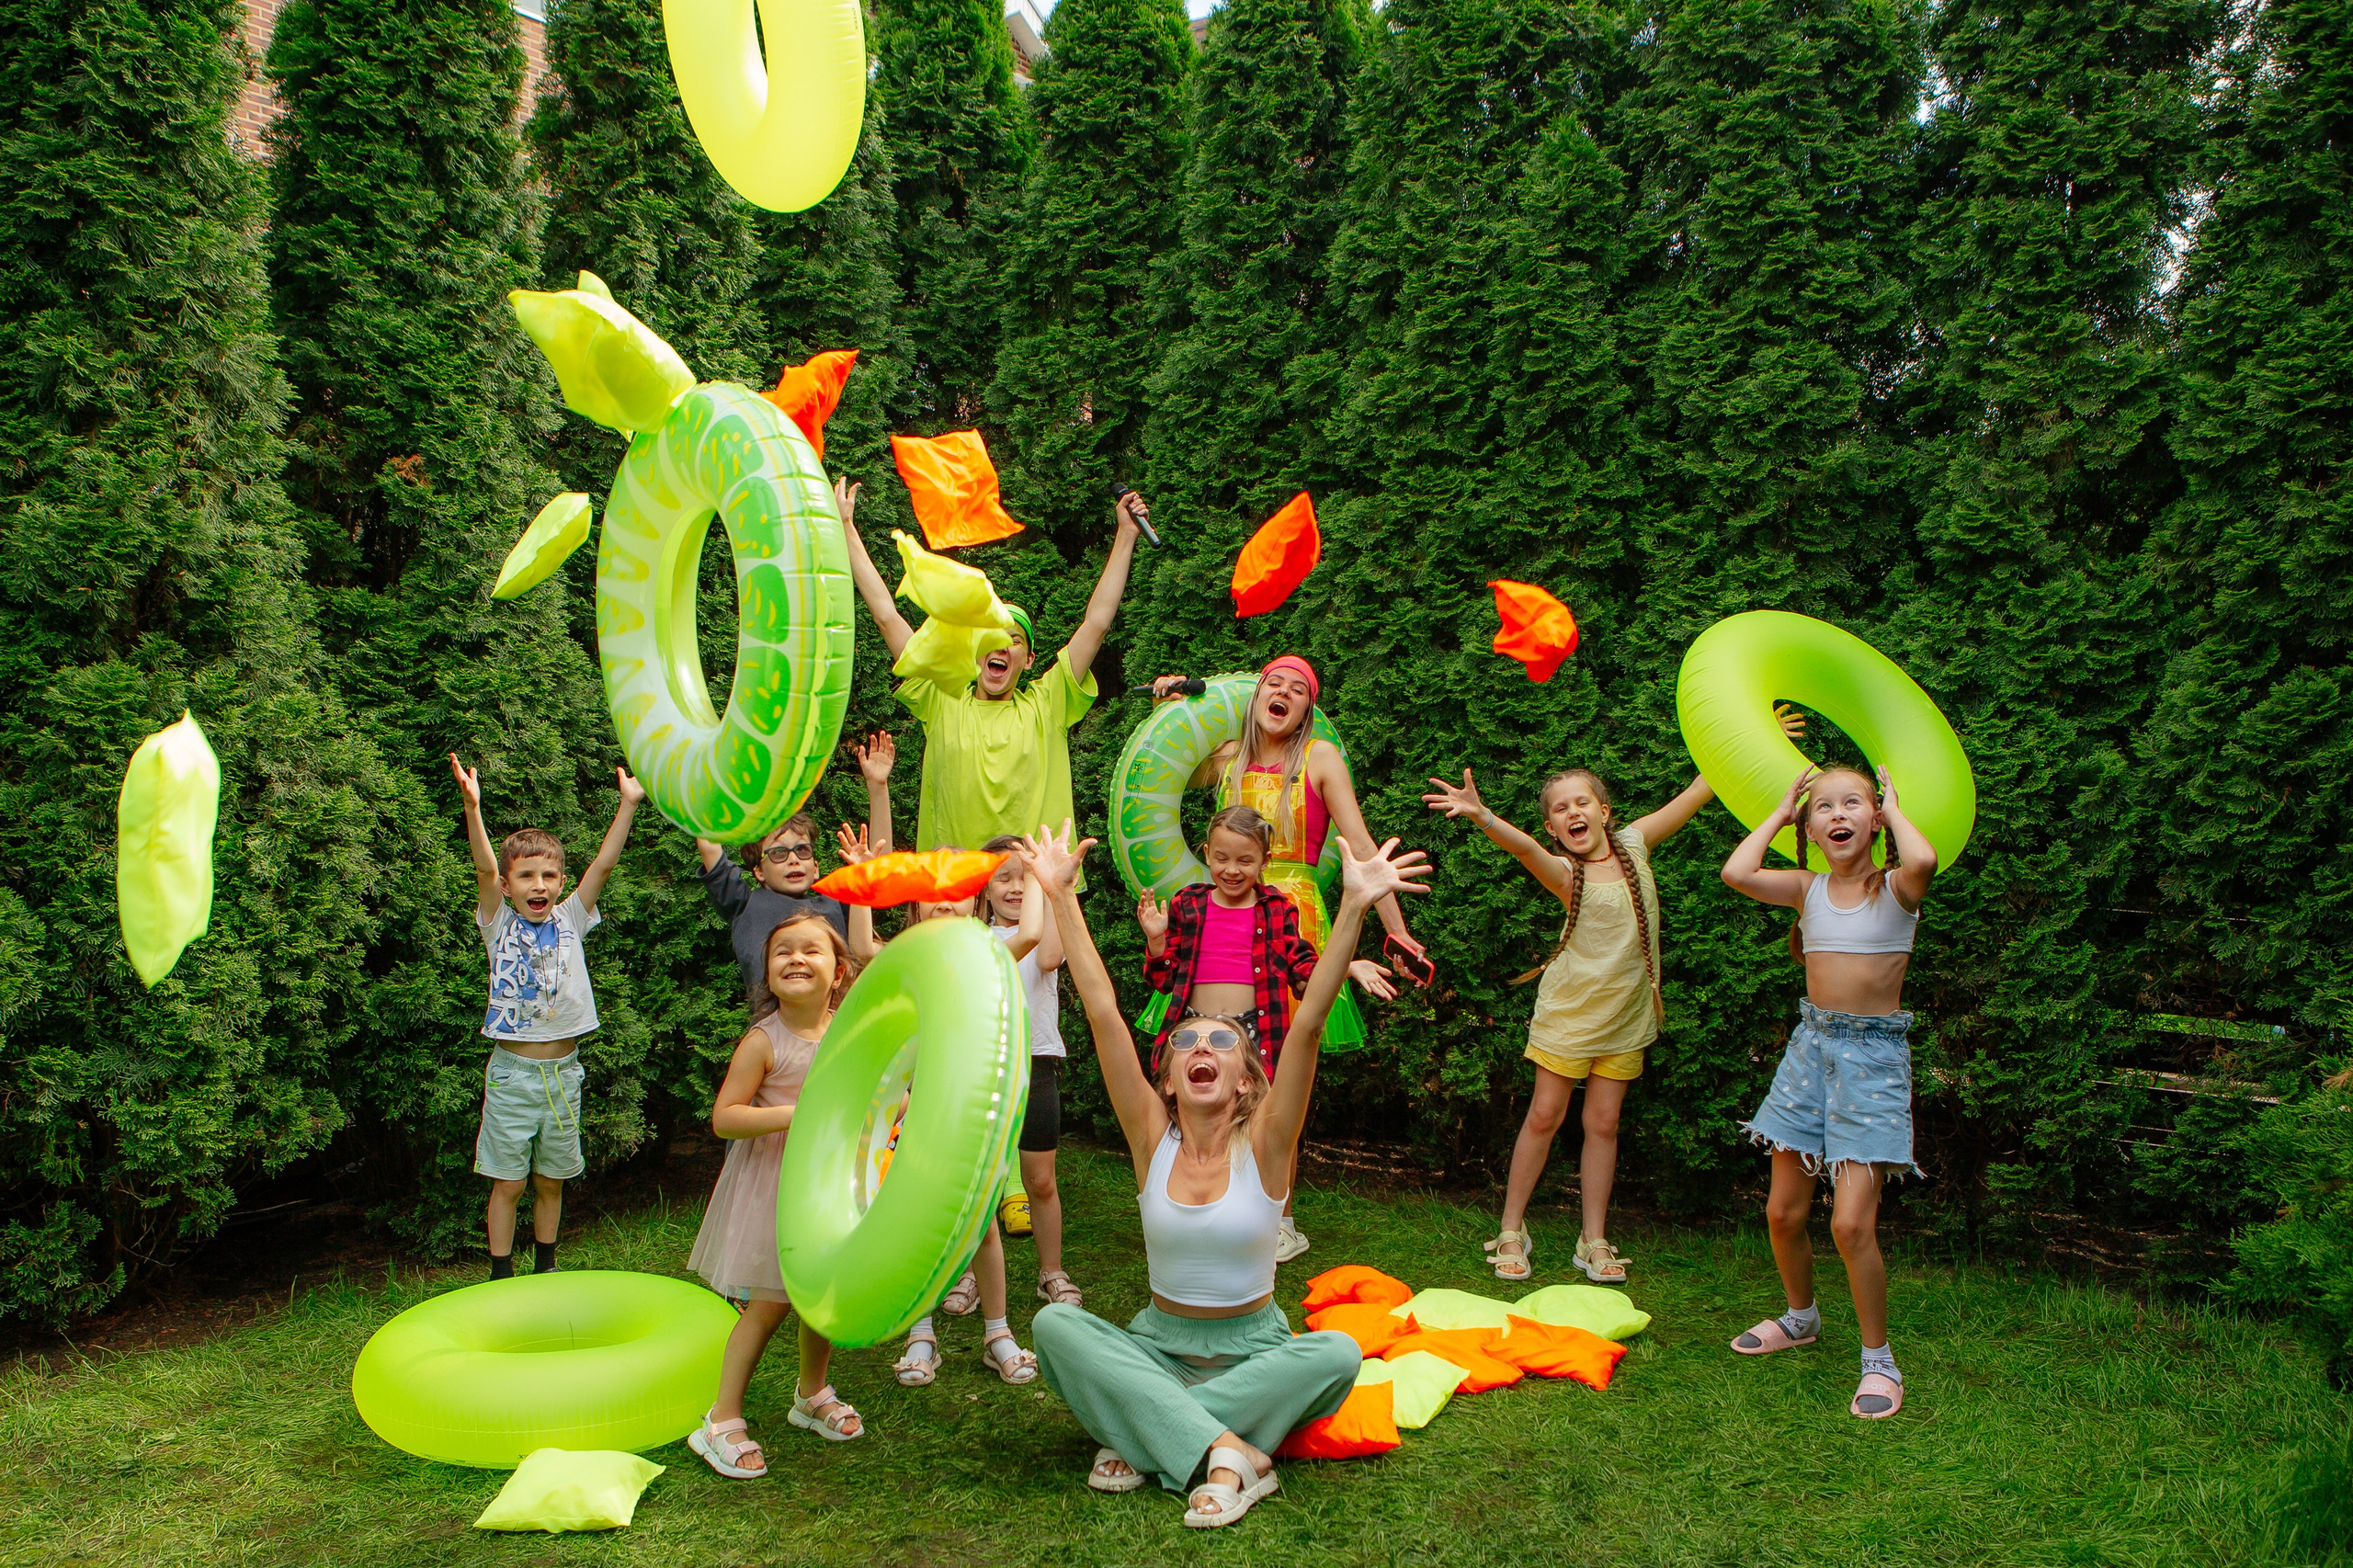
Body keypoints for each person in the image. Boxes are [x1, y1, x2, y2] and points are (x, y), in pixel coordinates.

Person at [1023, 820, 1430, 1528]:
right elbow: (1101, 1012)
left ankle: (1142, 1436)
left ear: (1245, 1080)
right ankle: (1234, 1455)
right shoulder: (1153, 1138)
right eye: (1187, 1040)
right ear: (1173, 1076)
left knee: (1334, 1352)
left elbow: (1305, 1026)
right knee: (1058, 1325)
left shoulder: (1269, 1144)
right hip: (1157, 1344)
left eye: (1221, 1040)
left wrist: (1358, 908)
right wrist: (1061, 896)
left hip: (1254, 1350)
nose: (1201, 1044)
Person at [1421, 709, 1805, 1288]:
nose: (1573, 813)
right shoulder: (1563, 872)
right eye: (1560, 809)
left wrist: (1756, 734)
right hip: (1568, 1016)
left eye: (1582, 803)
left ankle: (1592, 1239)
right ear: (1553, 827)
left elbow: (1700, 789)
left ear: (1605, 812)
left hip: (1626, 1017)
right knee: (1545, 1117)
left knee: (1603, 1124)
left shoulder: (1635, 844)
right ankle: (1511, 1228)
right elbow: (1523, 850)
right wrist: (1484, 817)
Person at [1165, 654, 1427, 1261]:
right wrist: (1176, 700)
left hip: (1293, 919)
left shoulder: (1320, 760)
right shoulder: (1229, 760)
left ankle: (1278, 1215)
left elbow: (1362, 849)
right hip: (1227, 924)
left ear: (1309, 708)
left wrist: (1398, 934)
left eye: (1297, 689)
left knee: (1281, 1077)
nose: (1282, 694)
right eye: (1272, 684)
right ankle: (1212, 1199)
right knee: (1222, 1064)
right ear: (1256, 696)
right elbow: (1169, 761)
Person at [1720, 763, 1938, 1421]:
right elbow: (1736, 872)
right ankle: (1801, 1317)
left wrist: (1894, 804)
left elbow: (1923, 853)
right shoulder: (1805, 888)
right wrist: (1781, 811)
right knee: (1783, 1213)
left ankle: (1879, 1359)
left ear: (1874, 820)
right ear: (1809, 829)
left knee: (1849, 1224)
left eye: (1854, 804)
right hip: (1809, 1053)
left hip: (1872, 1064)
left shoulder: (1897, 888)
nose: (1837, 814)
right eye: (1823, 808)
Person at [836, 478, 1178, 858]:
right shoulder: (942, 696)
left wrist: (1127, 534)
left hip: (1034, 890)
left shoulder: (1049, 703)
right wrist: (847, 528)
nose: (1001, 646)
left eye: (1014, 640)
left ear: (1029, 660)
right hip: (957, 892)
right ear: (974, 651)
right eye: (990, 637)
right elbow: (886, 616)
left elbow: (1096, 623)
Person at [450, 754, 643, 1281]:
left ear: (560, 881)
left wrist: (628, 803)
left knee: (551, 1180)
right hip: (513, 1076)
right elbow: (484, 867)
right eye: (527, 876)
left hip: (564, 1074)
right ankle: (500, 1275)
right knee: (508, 1183)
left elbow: (603, 865)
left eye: (550, 875)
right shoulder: (497, 923)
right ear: (510, 886)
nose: (540, 886)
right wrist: (474, 809)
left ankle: (546, 1269)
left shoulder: (571, 918)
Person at [687, 915, 867, 1472]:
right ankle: (720, 1419)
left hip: (830, 1183)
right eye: (781, 951)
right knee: (768, 1304)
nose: (794, 958)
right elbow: (724, 1117)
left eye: (810, 950)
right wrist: (794, 1114)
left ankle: (811, 1395)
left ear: (838, 974)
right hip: (775, 1187)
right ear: (767, 972)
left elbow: (879, 1093)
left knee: (820, 1296)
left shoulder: (851, 1032)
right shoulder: (764, 1040)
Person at [888, 875, 1041, 1390]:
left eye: (956, 889)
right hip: (917, 1114)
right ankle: (920, 1333)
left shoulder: (989, 952)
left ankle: (997, 1334)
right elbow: (863, 947)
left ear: (975, 903)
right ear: (915, 907)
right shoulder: (907, 956)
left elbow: (1033, 932)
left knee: (983, 1226)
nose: (944, 898)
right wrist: (867, 892)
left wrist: (1041, 875)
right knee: (916, 1225)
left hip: (976, 1114)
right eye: (930, 891)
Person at [695, 732, 893, 1006]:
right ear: (759, 872)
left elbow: (879, 871)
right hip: (774, 1032)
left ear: (816, 868)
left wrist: (878, 787)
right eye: (778, 853)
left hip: (833, 1029)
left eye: (802, 850)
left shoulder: (834, 902)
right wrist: (707, 781)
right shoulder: (743, 903)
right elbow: (709, 844)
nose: (793, 860)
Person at [1137, 806, 1319, 1076]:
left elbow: (1302, 973)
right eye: (1222, 858)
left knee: (1251, 1111)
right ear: (1208, 854)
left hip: (1253, 1035)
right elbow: (1163, 981)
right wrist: (1155, 940)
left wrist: (1345, 968)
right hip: (1192, 1030)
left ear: (1264, 860)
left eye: (1244, 861)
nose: (1231, 870)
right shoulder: (1188, 904)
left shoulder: (1277, 909)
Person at [980, 835, 1083, 1306]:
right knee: (976, 1182)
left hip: (1037, 1062)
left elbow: (1048, 958)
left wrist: (1045, 880)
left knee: (1040, 1180)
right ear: (984, 889)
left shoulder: (1042, 931)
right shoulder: (973, 935)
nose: (1016, 888)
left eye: (1024, 879)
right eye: (1004, 878)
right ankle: (967, 1273)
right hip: (981, 1068)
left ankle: (1051, 1271)